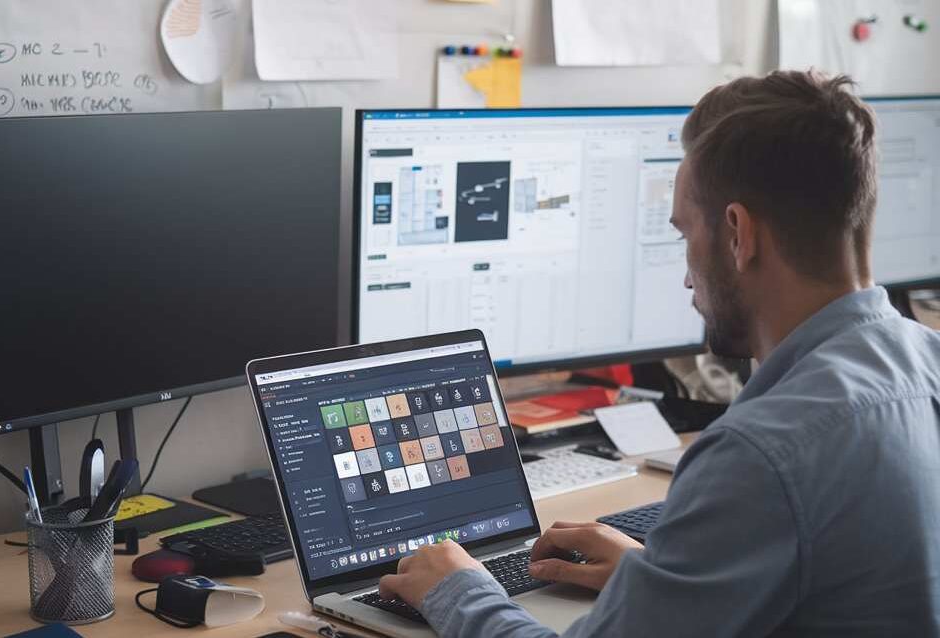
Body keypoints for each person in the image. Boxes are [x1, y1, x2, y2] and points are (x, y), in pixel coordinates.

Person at [378, 70, 940, 636]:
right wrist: (658, 577)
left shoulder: (760, 452)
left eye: (684, 234)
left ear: (739, 234)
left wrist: (457, 591)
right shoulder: (927, 363)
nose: (687, 277)